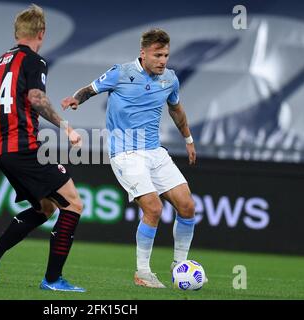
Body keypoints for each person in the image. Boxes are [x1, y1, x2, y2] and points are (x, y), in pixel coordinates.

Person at [62, 29, 201, 288]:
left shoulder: (170, 79)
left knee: (187, 206)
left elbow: (176, 110)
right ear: (143, 53)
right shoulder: (120, 73)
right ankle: (142, 272)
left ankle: (179, 264)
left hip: (155, 152)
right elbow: (90, 89)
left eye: (166, 55)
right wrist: (76, 99)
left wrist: (189, 140)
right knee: (153, 208)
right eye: (157, 55)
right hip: (126, 153)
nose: (163, 61)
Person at [0, 4, 85, 292]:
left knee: (45, 207)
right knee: (73, 203)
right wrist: (66, 127)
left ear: (17, 32)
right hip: (26, 148)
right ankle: (52, 280)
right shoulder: (35, 61)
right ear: (42, 34)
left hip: (3, 151)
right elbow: (36, 98)